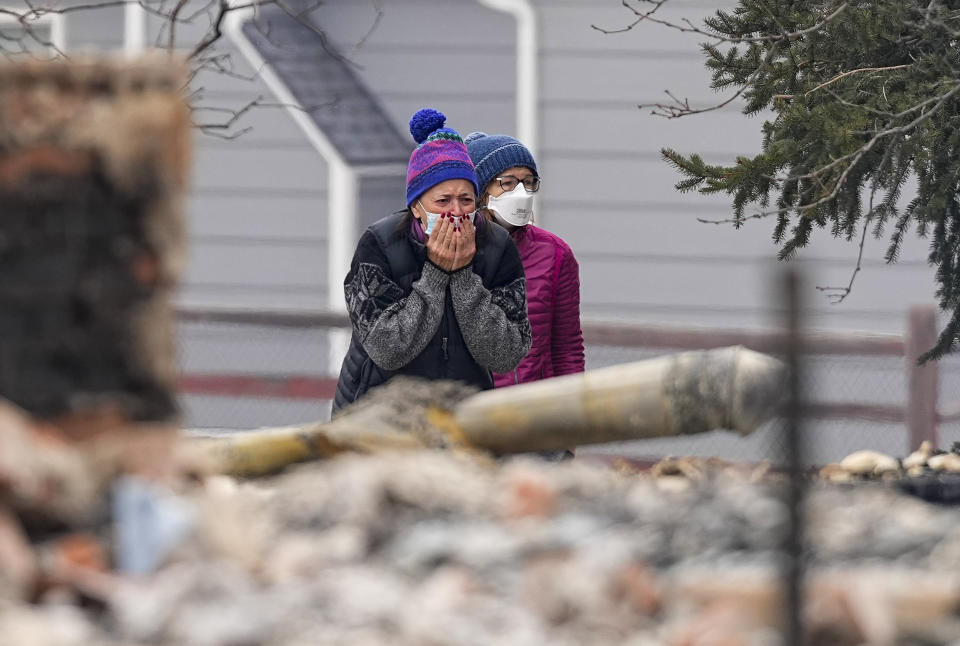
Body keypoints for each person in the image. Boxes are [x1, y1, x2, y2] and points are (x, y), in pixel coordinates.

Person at [331, 109, 532, 415]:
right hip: (376, 413)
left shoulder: (497, 246)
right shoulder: (380, 245)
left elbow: (506, 354)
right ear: (416, 206)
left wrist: (464, 276)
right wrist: (436, 275)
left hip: (463, 413)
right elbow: (387, 349)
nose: (455, 211)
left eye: (466, 200)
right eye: (442, 201)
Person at [464, 131, 585, 388]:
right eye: (508, 183)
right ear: (481, 191)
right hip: (470, 413)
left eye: (529, 182)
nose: (521, 192)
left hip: (536, 412)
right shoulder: (450, 252)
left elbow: (567, 348)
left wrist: (572, 412)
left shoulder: (554, 253)